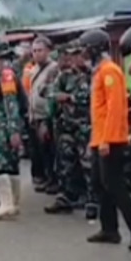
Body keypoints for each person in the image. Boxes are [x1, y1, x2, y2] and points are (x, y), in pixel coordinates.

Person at [79, 28, 131, 250]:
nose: (82, 54)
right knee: (100, 184)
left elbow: (115, 108)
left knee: (115, 185)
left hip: (110, 139)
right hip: (100, 138)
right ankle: (109, 229)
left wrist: (106, 140)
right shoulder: (99, 71)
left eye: (85, 49)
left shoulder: (110, 72)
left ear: (94, 49)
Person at [45, 41, 95, 216]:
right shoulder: (65, 76)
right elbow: (49, 92)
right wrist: (60, 97)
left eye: (78, 54)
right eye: (72, 54)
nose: (75, 58)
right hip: (67, 126)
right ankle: (67, 197)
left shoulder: (93, 74)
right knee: (66, 163)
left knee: (88, 165)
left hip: (86, 126)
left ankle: (92, 202)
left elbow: (90, 97)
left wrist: (69, 98)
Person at [0, 40, 27, 220]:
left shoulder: (6, 75)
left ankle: (7, 204)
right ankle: (12, 204)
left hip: (4, 127)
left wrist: (14, 130)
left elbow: (11, 104)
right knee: (10, 164)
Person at [26, 37, 62, 193]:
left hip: (46, 116)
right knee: (38, 151)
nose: (36, 54)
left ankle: (53, 180)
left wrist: (47, 120)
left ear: (48, 51)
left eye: (40, 50)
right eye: (34, 51)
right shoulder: (33, 70)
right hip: (34, 115)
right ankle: (44, 178)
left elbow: (51, 94)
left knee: (49, 151)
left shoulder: (53, 69)